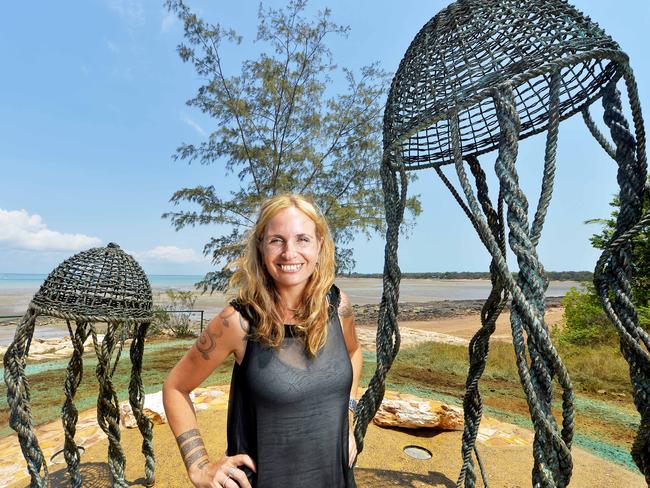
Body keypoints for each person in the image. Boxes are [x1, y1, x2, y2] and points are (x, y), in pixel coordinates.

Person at [163, 194, 362, 488]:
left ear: (320, 245)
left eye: (302, 239)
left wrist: (348, 419)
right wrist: (199, 466)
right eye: (276, 240)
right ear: (261, 247)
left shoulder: (337, 306)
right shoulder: (238, 322)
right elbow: (176, 388)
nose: (289, 252)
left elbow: (354, 353)